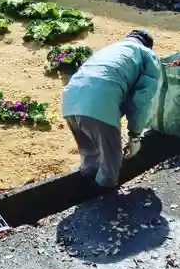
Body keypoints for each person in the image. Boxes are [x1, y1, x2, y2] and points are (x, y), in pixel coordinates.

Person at [62, 30, 160, 192]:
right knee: (111, 162)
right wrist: (135, 136)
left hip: (70, 100)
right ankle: (101, 203)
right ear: (148, 45)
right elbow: (141, 102)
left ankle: (84, 190)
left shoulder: (111, 49)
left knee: (90, 152)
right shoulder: (147, 56)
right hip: (98, 105)